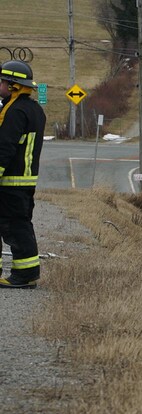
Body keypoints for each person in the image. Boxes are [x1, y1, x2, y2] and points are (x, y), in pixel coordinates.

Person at [0, 59, 45, 289]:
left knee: (15, 227)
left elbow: (5, 146)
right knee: (19, 225)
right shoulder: (34, 109)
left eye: (2, 82)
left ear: (13, 85)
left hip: (11, 182)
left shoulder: (15, 111)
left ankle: (25, 275)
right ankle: (24, 273)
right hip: (23, 182)